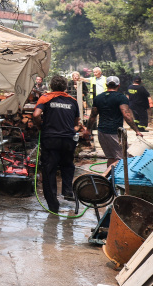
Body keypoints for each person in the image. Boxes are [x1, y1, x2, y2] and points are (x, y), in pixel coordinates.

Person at [32, 75, 83, 213]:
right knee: (68, 165)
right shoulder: (72, 101)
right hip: (68, 139)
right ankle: (67, 190)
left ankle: (54, 206)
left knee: (49, 171)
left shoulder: (46, 98)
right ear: (65, 87)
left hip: (50, 139)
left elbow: (36, 115)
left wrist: (40, 127)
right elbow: (76, 122)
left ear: (51, 86)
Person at [87, 75, 142, 169]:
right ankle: (105, 177)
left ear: (106, 85)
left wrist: (88, 129)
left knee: (111, 157)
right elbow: (127, 115)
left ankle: (110, 181)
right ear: (118, 85)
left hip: (102, 132)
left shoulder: (98, 98)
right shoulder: (121, 98)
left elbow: (93, 116)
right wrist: (137, 130)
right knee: (122, 158)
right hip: (114, 132)